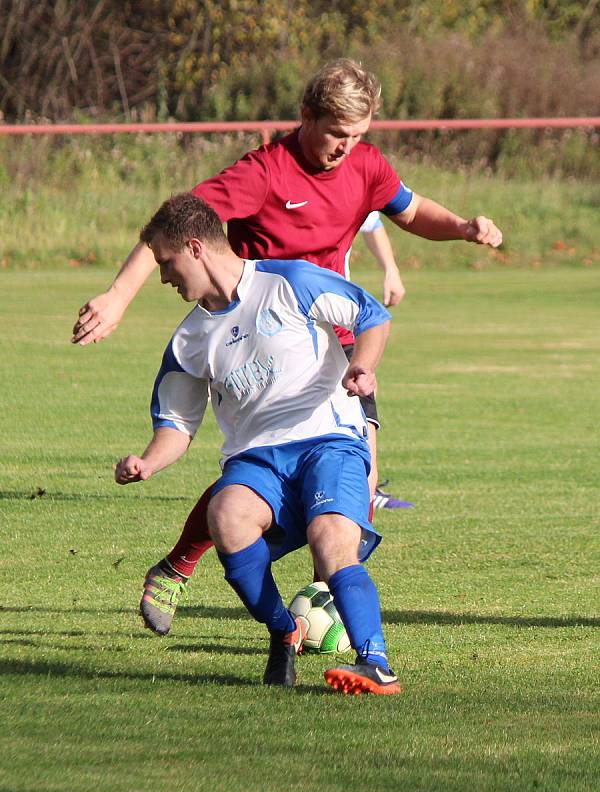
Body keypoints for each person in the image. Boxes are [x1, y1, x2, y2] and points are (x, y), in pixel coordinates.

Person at [72, 58, 502, 636]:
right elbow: (174, 226)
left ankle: (321, 605)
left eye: (357, 136)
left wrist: (463, 227)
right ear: (305, 117)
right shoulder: (265, 173)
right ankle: (184, 563)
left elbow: (412, 210)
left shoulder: (366, 165)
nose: (345, 148)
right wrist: (119, 296)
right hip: (262, 336)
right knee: (261, 465)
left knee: (360, 483)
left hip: (340, 339)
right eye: (335, 134)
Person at [116, 192, 400, 694]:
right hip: (256, 459)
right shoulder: (189, 341)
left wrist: (363, 365)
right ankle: (282, 631)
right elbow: (177, 425)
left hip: (329, 439)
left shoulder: (289, 281)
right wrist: (148, 462)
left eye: (166, 262)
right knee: (225, 516)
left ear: (196, 247)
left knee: (333, 539)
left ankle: (374, 661)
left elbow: (371, 315)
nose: (163, 277)